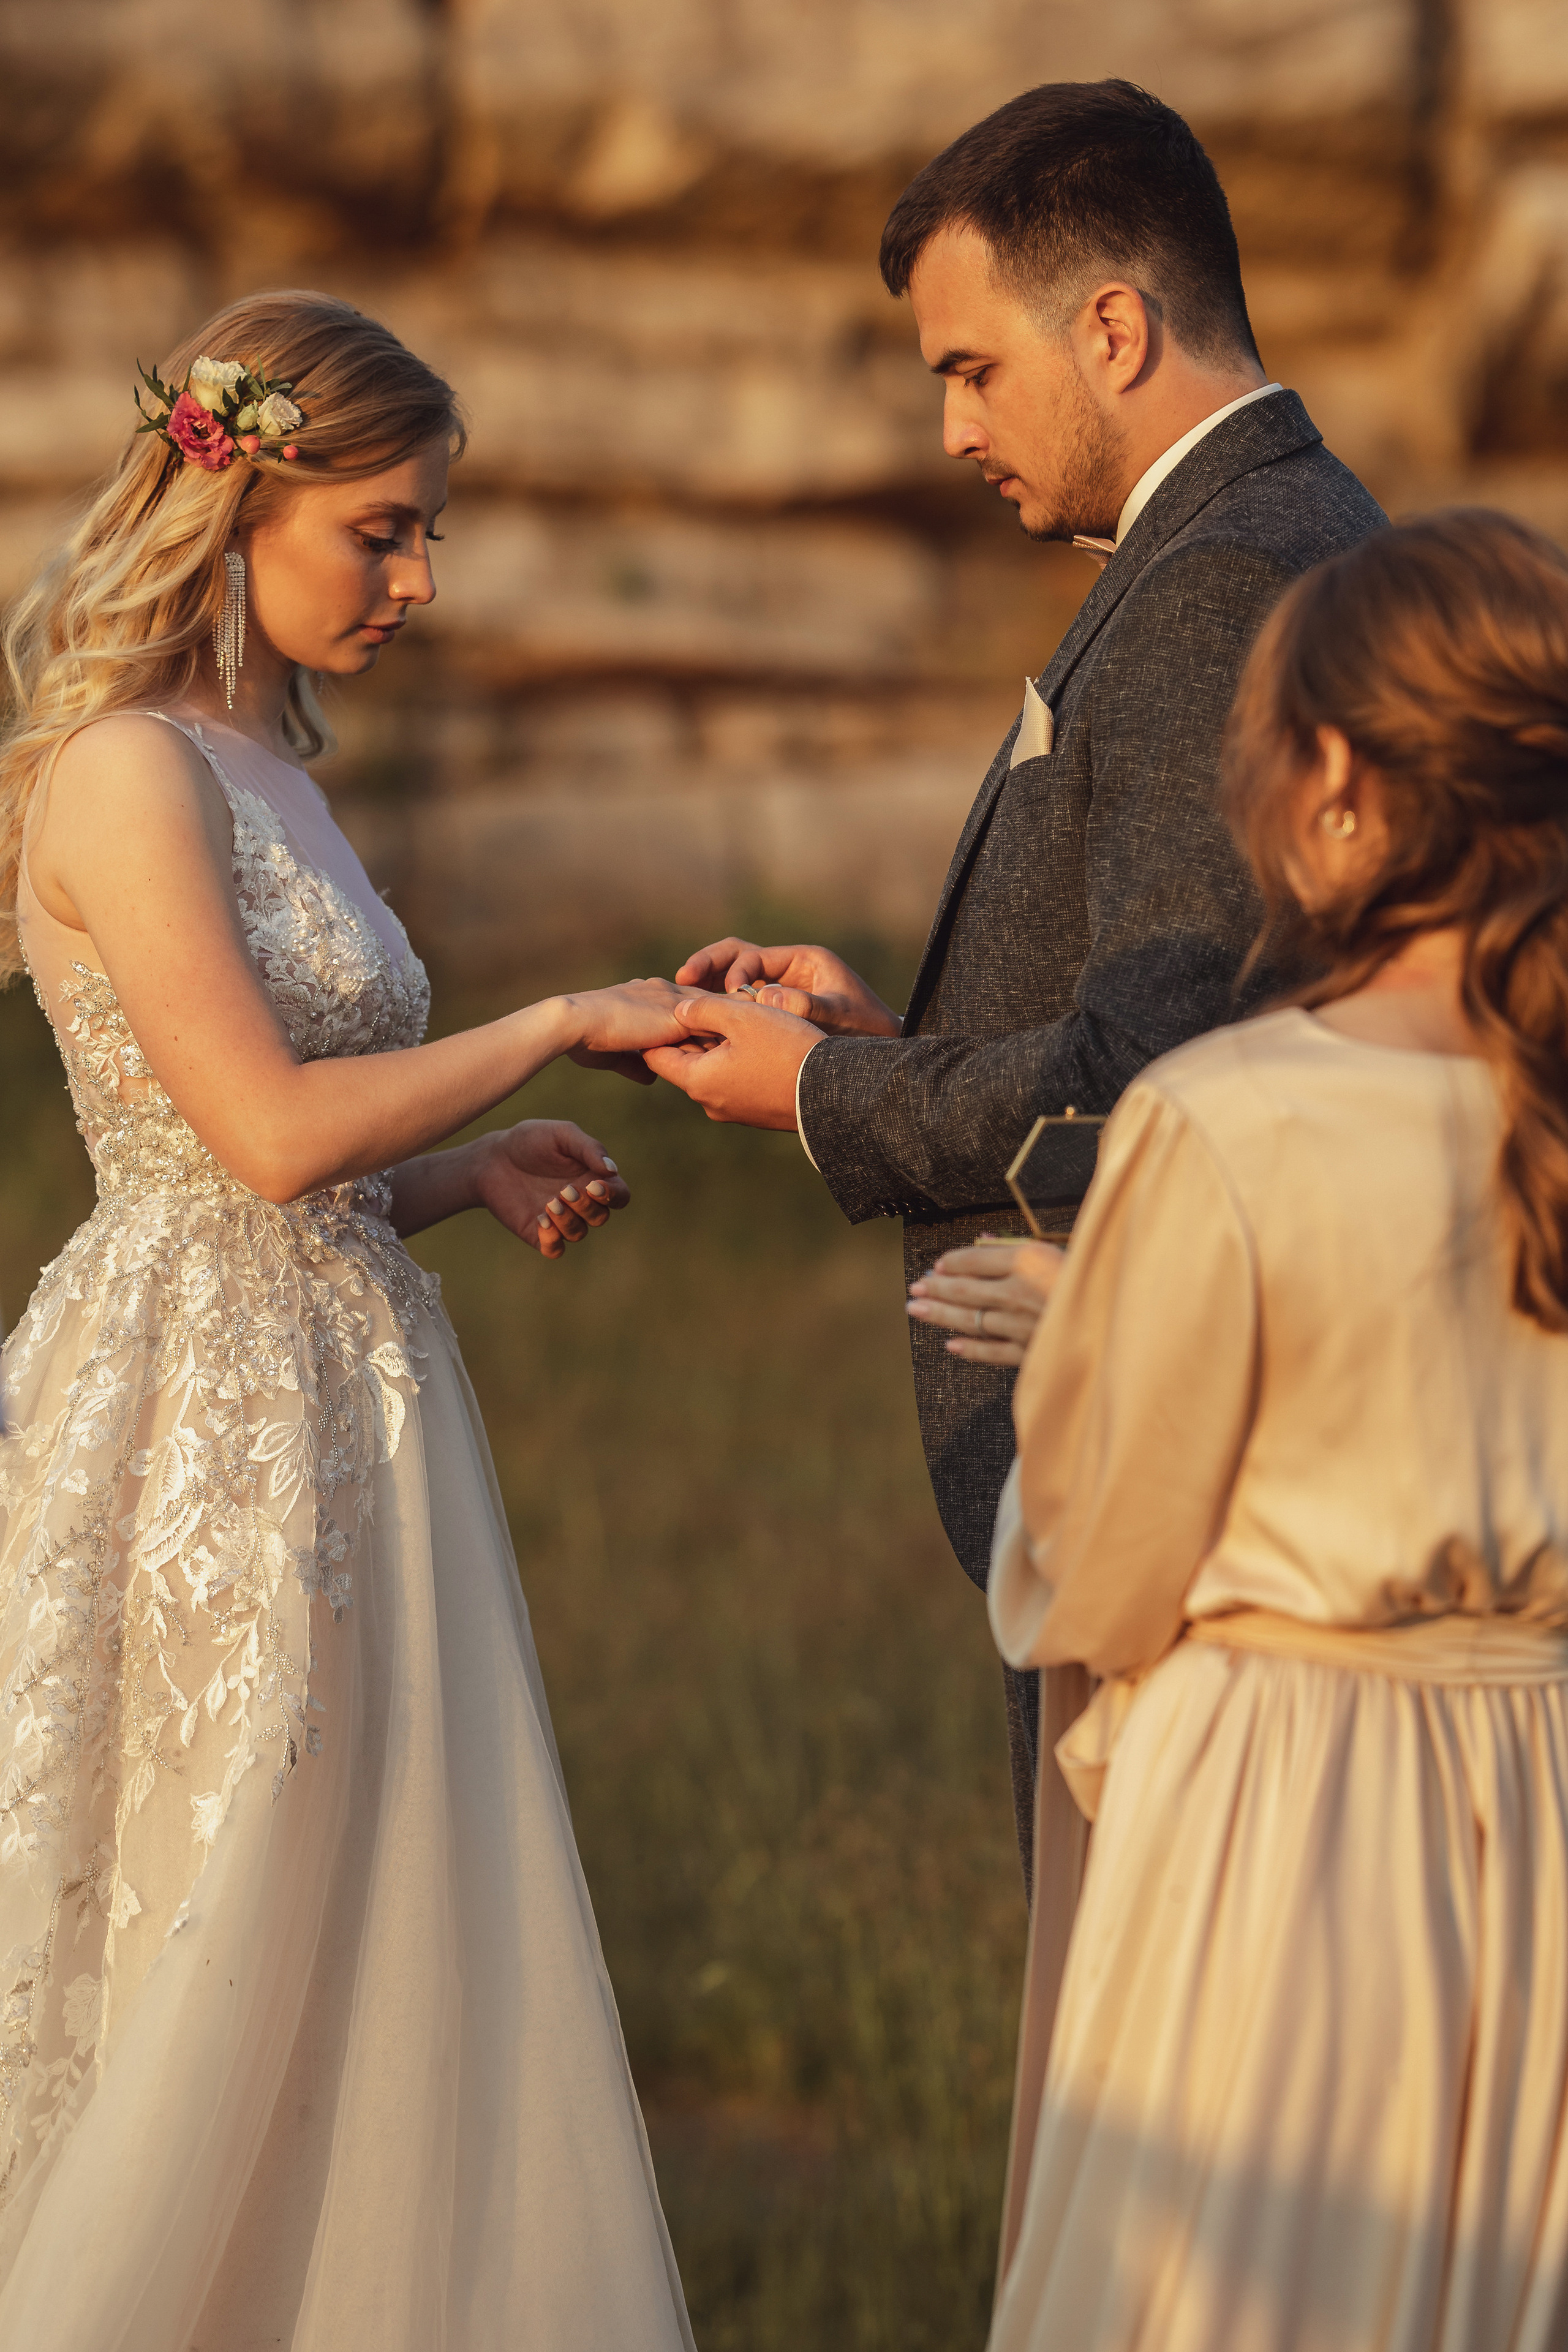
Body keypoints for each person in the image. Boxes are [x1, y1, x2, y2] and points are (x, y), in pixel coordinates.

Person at [0, 292, 696, 2348]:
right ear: (237, 502)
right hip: (193, 1434)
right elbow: (257, 1134)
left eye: (431, 536)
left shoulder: (272, 772)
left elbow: (300, 1169)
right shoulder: (124, 774)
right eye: (379, 530)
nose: (414, 578)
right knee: (212, 1917)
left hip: (348, 1409)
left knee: (362, 1928)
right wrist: (561, 1015)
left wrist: (460, 1176)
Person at [639, 80, 1386, 1875]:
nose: (955, 425)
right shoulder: (1271, 532)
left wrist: (819, 1095)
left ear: (1113, 326)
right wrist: (908, 1039)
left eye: (969, 368)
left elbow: (1165, 1071)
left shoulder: (1223, 580)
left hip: (1170, 1472)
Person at [986, 510, 1568, 2350]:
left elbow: (1104, 1562)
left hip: (1294, 1813)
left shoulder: (1236, 1119)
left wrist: (1076, 1349)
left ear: (1333, 783)